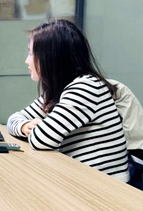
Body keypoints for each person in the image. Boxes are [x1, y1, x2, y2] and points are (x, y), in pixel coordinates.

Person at [7, 19, 129, 182]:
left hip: (106, 186)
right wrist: (24, 126)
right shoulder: (61, 89)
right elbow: (13, 119)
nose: (26, 61)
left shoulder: (85, 87)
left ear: (50, 57)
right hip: (83, 179)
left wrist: (37, 129)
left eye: (31, 53)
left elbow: (41, 140)